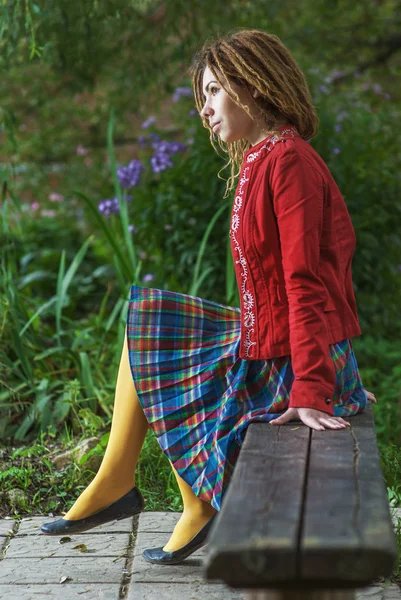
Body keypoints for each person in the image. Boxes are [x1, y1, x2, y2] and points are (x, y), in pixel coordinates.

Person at [41, 28, 377, 564]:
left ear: (254, 86)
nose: (205, 108)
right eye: (202, 95)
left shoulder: (288, 162)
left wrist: (316, 386)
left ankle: (179, 501)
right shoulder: (262, 159)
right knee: (148, 321)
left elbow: (306, 280)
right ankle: (121, 480)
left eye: (215, 90)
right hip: (274, 340)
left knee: (161, 341)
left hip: (291, 362)